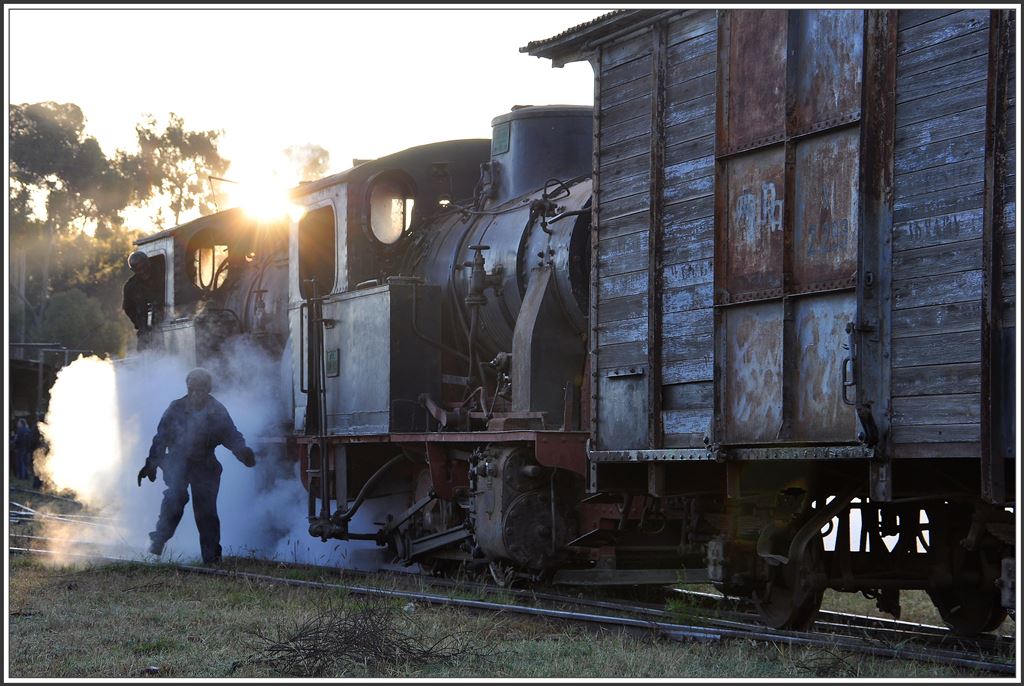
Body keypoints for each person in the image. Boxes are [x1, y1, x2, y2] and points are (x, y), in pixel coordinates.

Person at [137, 368, 256, 564]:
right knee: (175, 496)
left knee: (206, 512)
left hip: (205, 466)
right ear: (187, 388)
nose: (196, 394)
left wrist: (242, 452)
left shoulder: (217, 410)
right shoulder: (175, 408)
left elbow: (231, 435)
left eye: (201, 389)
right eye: (192, 389)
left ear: (208, 390)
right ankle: (159, 538)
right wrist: (151, 463)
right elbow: (161, 439)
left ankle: (211, 558)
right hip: (178, 463)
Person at [122, 251, 163, 350]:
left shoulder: (161, 276)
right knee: (144, 355)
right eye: (139, 269)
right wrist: (139, 323)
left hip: (162, 325)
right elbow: (128, 308)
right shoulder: (131, 287)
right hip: (145, 332)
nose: (143, 271)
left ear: (148, 264)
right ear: (134, 270)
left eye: (144, 267)